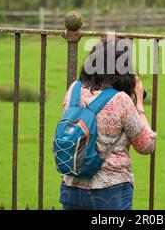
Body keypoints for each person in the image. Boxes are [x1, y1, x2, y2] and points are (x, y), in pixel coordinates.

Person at [59, 36, 156, 210]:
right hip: (109, 191)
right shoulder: (121, 100)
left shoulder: (74, 89)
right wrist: (139, 104)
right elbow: (146, 146)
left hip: (70, 186)